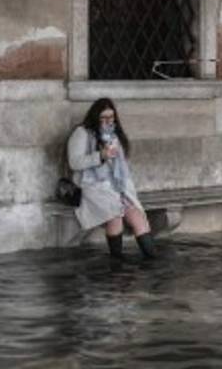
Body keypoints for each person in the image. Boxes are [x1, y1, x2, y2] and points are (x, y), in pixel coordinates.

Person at [67, 98, 157, 260]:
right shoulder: (82, 133)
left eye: (111, 117)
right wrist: (100, 156)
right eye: (104, 117)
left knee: (138, 218)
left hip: (116, 186)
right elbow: (74, 162)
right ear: (95, 116)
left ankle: (153, 263)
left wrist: (126, 188)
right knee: (115, 217)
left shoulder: (114, 135)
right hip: (91, 186)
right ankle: (117, 263)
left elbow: (121, 168)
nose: (108, 121)